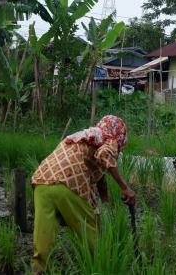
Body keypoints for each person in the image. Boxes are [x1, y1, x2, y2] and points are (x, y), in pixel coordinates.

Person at [30, 115, 136, 274]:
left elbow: (99, 172)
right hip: (69, 182)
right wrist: (125, 187)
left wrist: (105, 200)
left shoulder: (87, 136)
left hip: (42, 181)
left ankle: (38, 270)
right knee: (91, 239)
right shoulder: (109, 138)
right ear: (118, 133)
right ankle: (99, 269)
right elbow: (104, 156)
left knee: (43, 244)